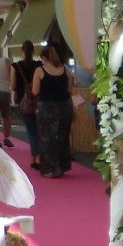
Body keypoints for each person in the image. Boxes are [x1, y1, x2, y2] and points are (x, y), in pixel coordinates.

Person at [33, 44, 75, 178]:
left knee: (46, 138)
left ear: (45, 57)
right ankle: (62, 165)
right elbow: (70, 89)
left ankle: (50, 168)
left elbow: (35, 91)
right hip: (64, 106)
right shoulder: (66, 70)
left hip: (46, 108)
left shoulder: (40, 71)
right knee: (63, 137)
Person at [13, 39, 42, 167]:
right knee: (39, 129)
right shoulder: (39, 65)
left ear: (22, 51)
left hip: (24, 101)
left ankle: (36, 157)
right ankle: (39, 155)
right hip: (38, 100)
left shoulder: (16, 66)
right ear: (33, 51)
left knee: (31, 130)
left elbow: (13, 86)